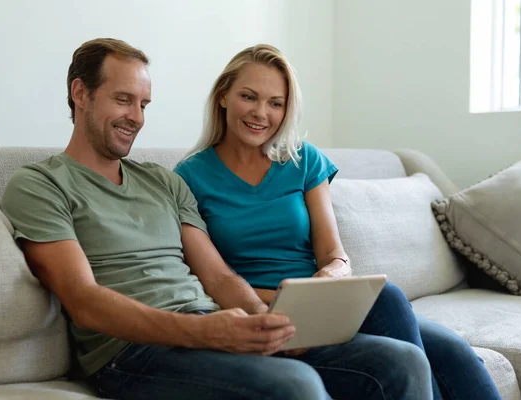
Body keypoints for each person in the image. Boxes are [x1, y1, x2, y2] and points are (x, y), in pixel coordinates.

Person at [0, 38, 432, 400]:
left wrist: (271, 326)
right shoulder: (41, 184)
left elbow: (219, 278)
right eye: (123, 100)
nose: (137, 117)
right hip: (133, 352)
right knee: (295, 386)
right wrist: (204, 332)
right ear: (80, 93)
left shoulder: (163, 182)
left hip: (212, 325)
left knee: (400, 361)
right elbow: (84, 301)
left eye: (144, 104)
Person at [175, 44, 502, 400]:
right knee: (402, 343)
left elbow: (333, 253)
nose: (261, 113)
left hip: (324, 305)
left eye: (276, 103)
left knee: (453, 350)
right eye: (248, 97)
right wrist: (290, 302)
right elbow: (211, 278)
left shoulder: (303, 160)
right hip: (260, 311)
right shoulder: (189, 177)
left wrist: (332, 276)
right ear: (223, 97)